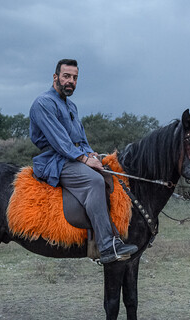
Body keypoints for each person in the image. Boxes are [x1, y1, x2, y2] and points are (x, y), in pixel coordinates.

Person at [29, 59, 138, 263]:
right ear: (56, 77)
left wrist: (93, 156)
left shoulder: (71, 106)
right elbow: (60, 141)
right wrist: (84, 159)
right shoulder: (43, 103)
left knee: (109, 174)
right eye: (66, 76)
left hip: (73, 157)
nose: (71, 81)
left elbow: (81, 140)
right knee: (94, 181)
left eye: (75, 78)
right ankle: (106, 246)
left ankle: (117, 233)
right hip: (55, 161)